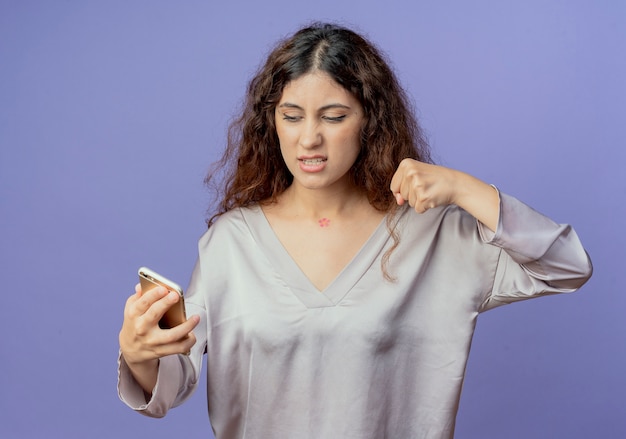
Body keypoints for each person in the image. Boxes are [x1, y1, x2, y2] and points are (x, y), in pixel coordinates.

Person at [118, 22, 592, 438]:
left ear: (370, 121)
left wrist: (464, 188)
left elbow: (565, 266)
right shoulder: (231, 242)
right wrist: (139, 352)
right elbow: (170, 384)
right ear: (272, 122)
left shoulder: (434, 236)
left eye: (334, 116)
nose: (309, 138)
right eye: (291, 115)